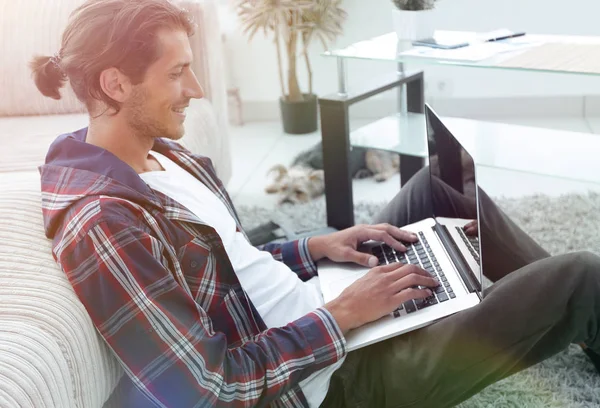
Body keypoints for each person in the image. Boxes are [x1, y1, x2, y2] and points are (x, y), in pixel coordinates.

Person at [32, 1, 600, 407]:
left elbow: (227, 263)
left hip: (318, 311)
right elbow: (207, 390)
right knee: (582, 274)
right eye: (177, 73)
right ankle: (584, 311)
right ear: (114, 84)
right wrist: (344, 315)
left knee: (438, 188)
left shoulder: (161, 157)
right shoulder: (105, 223)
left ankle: (584, 325)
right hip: (331, 381)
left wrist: (315, 247)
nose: (197, 89)